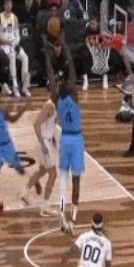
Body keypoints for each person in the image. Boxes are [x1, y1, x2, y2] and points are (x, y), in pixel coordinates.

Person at [21, 50, 58, 217]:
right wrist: (44, 144)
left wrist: (53, 139)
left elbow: (49, 126)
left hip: (46, 140)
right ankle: (45, 206)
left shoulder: (55, 105)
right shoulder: (49, 105)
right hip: (43, 141)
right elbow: (36, 124)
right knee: (53, 174)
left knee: (43, 170)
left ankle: (25, 193)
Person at [56, 47, 85, 233]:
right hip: (75, 139)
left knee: (63, 180)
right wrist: (66, 48)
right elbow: (73, 74)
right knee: (75, 181)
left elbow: (53, 80)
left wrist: (48, 59)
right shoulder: (73, 97)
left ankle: (61, 214)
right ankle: (73, 219)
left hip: (65, 138)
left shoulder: (57, 99)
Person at [0, 0, 30, 98]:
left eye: (9, 4)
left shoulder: (14, 18)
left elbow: (17, 35)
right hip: (3, 45)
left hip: (13, 44)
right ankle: (15, 86)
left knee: (25, 58)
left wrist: (15, 44)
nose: (8, 6)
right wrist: (6, 43)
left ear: (12, 5)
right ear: (4, 5)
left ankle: (25, 86)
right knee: (12, 57)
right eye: (6, 4)